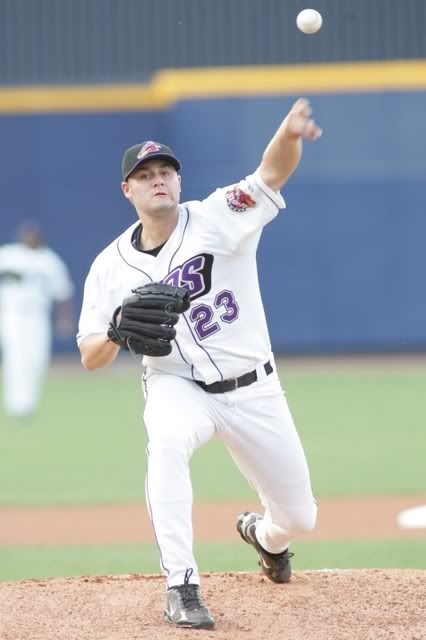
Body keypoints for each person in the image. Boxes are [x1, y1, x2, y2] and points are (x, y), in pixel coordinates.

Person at [77, 98, 322, 629]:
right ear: (129, 190)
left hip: (254, 388)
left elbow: (271, 173)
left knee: (300, 517)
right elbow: (90, 355)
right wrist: (118, 333)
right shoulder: (108, 267)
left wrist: (289, 133)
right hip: (175, 384)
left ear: (179, 182)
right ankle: (181, 584)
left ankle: (264, 537)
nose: (157, 179)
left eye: (165, 170)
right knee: (166, 443)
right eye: (145, 175)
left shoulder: (218, 216)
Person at [0, 222, 74, 419]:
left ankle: (29, 404)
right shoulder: (9, 255)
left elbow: (63, 292)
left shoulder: (48, 261)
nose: (29, 238)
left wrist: (64, 320)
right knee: (16, 358)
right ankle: (16, 405)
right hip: (12, 315)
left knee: (37, 359)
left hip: (37, 316)